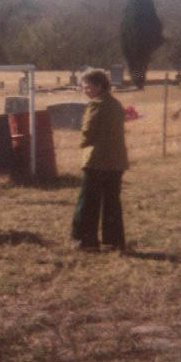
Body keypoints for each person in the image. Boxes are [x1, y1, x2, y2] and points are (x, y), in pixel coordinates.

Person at [71, 68, 128, 252]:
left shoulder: (95, 105)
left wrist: (81, 144)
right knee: (112, 201)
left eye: (87, 87)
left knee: (88, 201)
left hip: (97, 161)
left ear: (99, 86)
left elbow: (87, 132)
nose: (85, 91)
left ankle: (86, 241)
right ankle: (114, 240)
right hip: (117, 161)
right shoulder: (116, 104)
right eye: (83, 87)